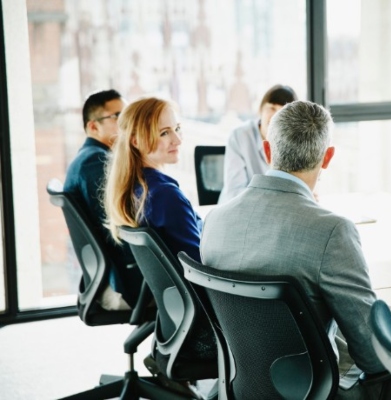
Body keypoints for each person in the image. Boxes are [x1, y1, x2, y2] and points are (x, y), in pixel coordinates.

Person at [200, 100, 391, 399]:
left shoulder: (214, 221)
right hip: (321, 393)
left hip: (245, 387)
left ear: (267, 151)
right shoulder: (331, 231)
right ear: (328, 157)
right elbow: (372, 358)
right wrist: (380, 321)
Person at [104, 96, 216, 364]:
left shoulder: (138, 189)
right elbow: (202, 268)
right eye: (165, 133)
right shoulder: (165, 196)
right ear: (136, 141)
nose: (177, 140)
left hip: (179, 320)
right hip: (206, 328)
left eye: (177, 129)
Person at [64, 89, 143, 311]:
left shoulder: (90, 158)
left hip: (115, 274)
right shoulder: (97, 163)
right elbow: (118, 229)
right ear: (93, 126)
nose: (127, 122)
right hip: (124, 280)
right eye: (118, 116)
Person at [218, 84, 298, 203]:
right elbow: (235, 192)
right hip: (238, 210)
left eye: (282, 112)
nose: (275, 116)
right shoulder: (240, 136)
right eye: (271, 108)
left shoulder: (295, 141)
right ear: (260, 110)